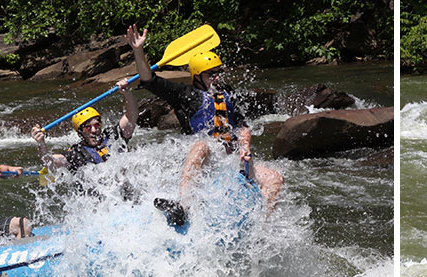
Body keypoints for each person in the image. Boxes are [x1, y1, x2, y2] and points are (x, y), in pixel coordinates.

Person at [123, 24, 285, 207]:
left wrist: (244, 147)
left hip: (229, 159)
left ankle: (262, 229)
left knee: (275, 178)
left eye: (219, 72)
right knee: (202, 146)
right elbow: (149, 80)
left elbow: (243, 126)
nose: (217, 77)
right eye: (211, 74)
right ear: (198, 75)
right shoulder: (184, 95)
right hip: (202, 159)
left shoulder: (228, 95)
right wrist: (138, 51)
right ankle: (184, 206)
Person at [33, 81, 137, 171]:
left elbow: (131, 116)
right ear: (80, 133)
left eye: (96, 125)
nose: (94, 130)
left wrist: (127, 93)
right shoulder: (76, 153)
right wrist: (41, 143)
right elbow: (50, 163)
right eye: (88, 127)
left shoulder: (112, 136)